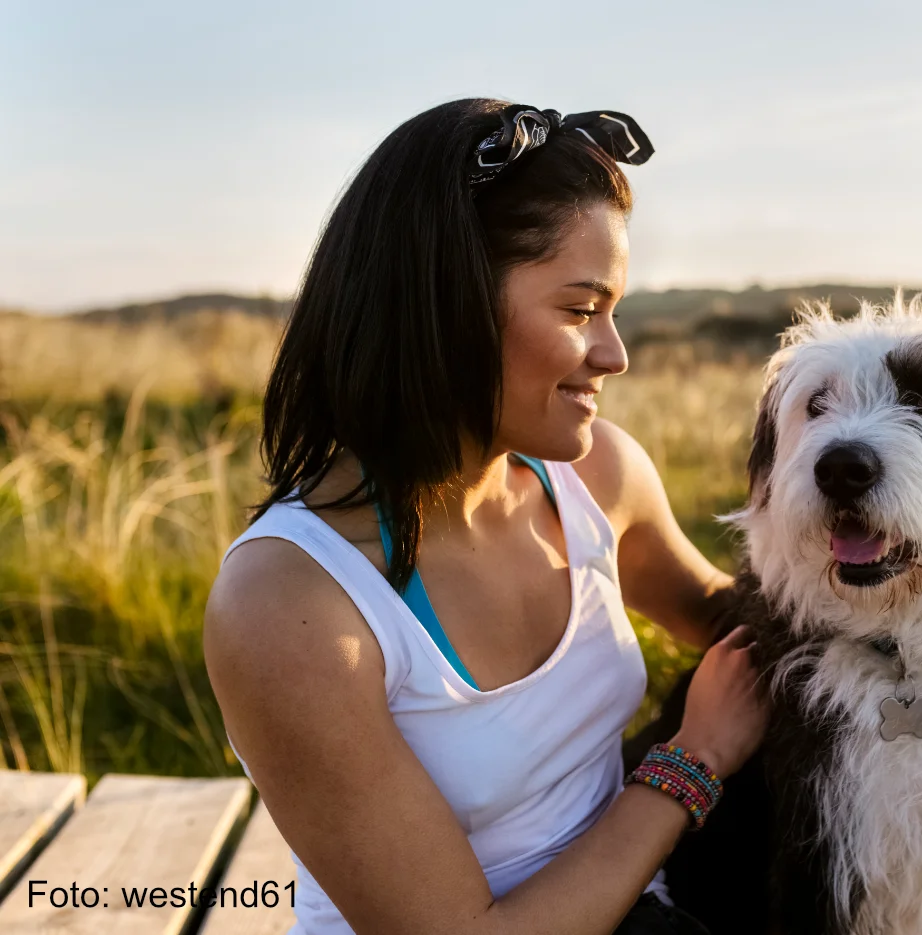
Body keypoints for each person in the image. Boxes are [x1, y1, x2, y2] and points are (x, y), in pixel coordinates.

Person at [203, 99, 770, 935]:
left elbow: (747, 630)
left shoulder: (598, 475)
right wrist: (693, 760)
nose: (615, 353)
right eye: (580, 310)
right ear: (447, 305)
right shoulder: (291, 604)